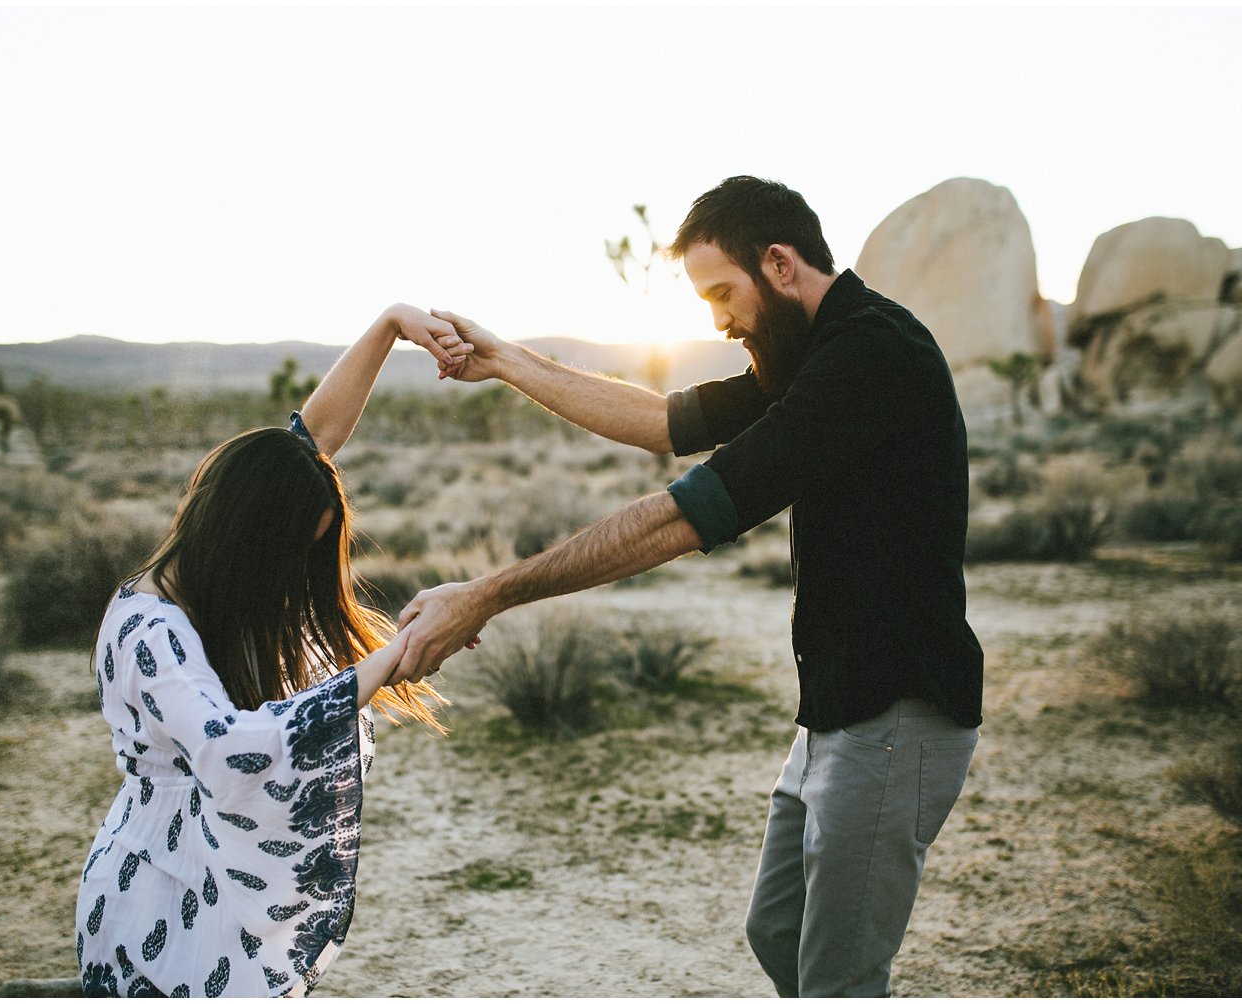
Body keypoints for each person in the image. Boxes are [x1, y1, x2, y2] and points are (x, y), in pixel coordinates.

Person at [395, 176, 984, 997]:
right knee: (777, 930)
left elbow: (687, 514)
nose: (717, 320)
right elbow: (664, 422)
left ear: (779, 263)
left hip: (897, 713)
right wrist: (508, 361)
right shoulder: (807, 353)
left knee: (840, 983)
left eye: (721, 292)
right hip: (838, 706)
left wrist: (488, 593)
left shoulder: (872, 355)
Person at [75, 304, 471, 998]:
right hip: (160, 901)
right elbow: (232, 750)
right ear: (250, 531)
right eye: (292, 548)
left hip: (211, 880)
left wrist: (389, 328)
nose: (296, 571)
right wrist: (387, 659)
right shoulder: (151, 631)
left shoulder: (206, 582)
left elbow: (309, 440)